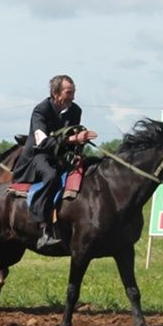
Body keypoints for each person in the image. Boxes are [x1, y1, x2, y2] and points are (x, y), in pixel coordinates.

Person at [11, 74, 97, 247]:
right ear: (55, 93)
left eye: (73, 92)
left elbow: (71, 136)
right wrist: (73, 140)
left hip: (61, 156)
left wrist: (80, 143)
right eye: (68, 92)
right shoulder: (40, 110)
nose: (72, 97)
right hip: (37, 157)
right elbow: (43, 142)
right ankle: (43, 228)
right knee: (50, 176)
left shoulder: (75, 110)